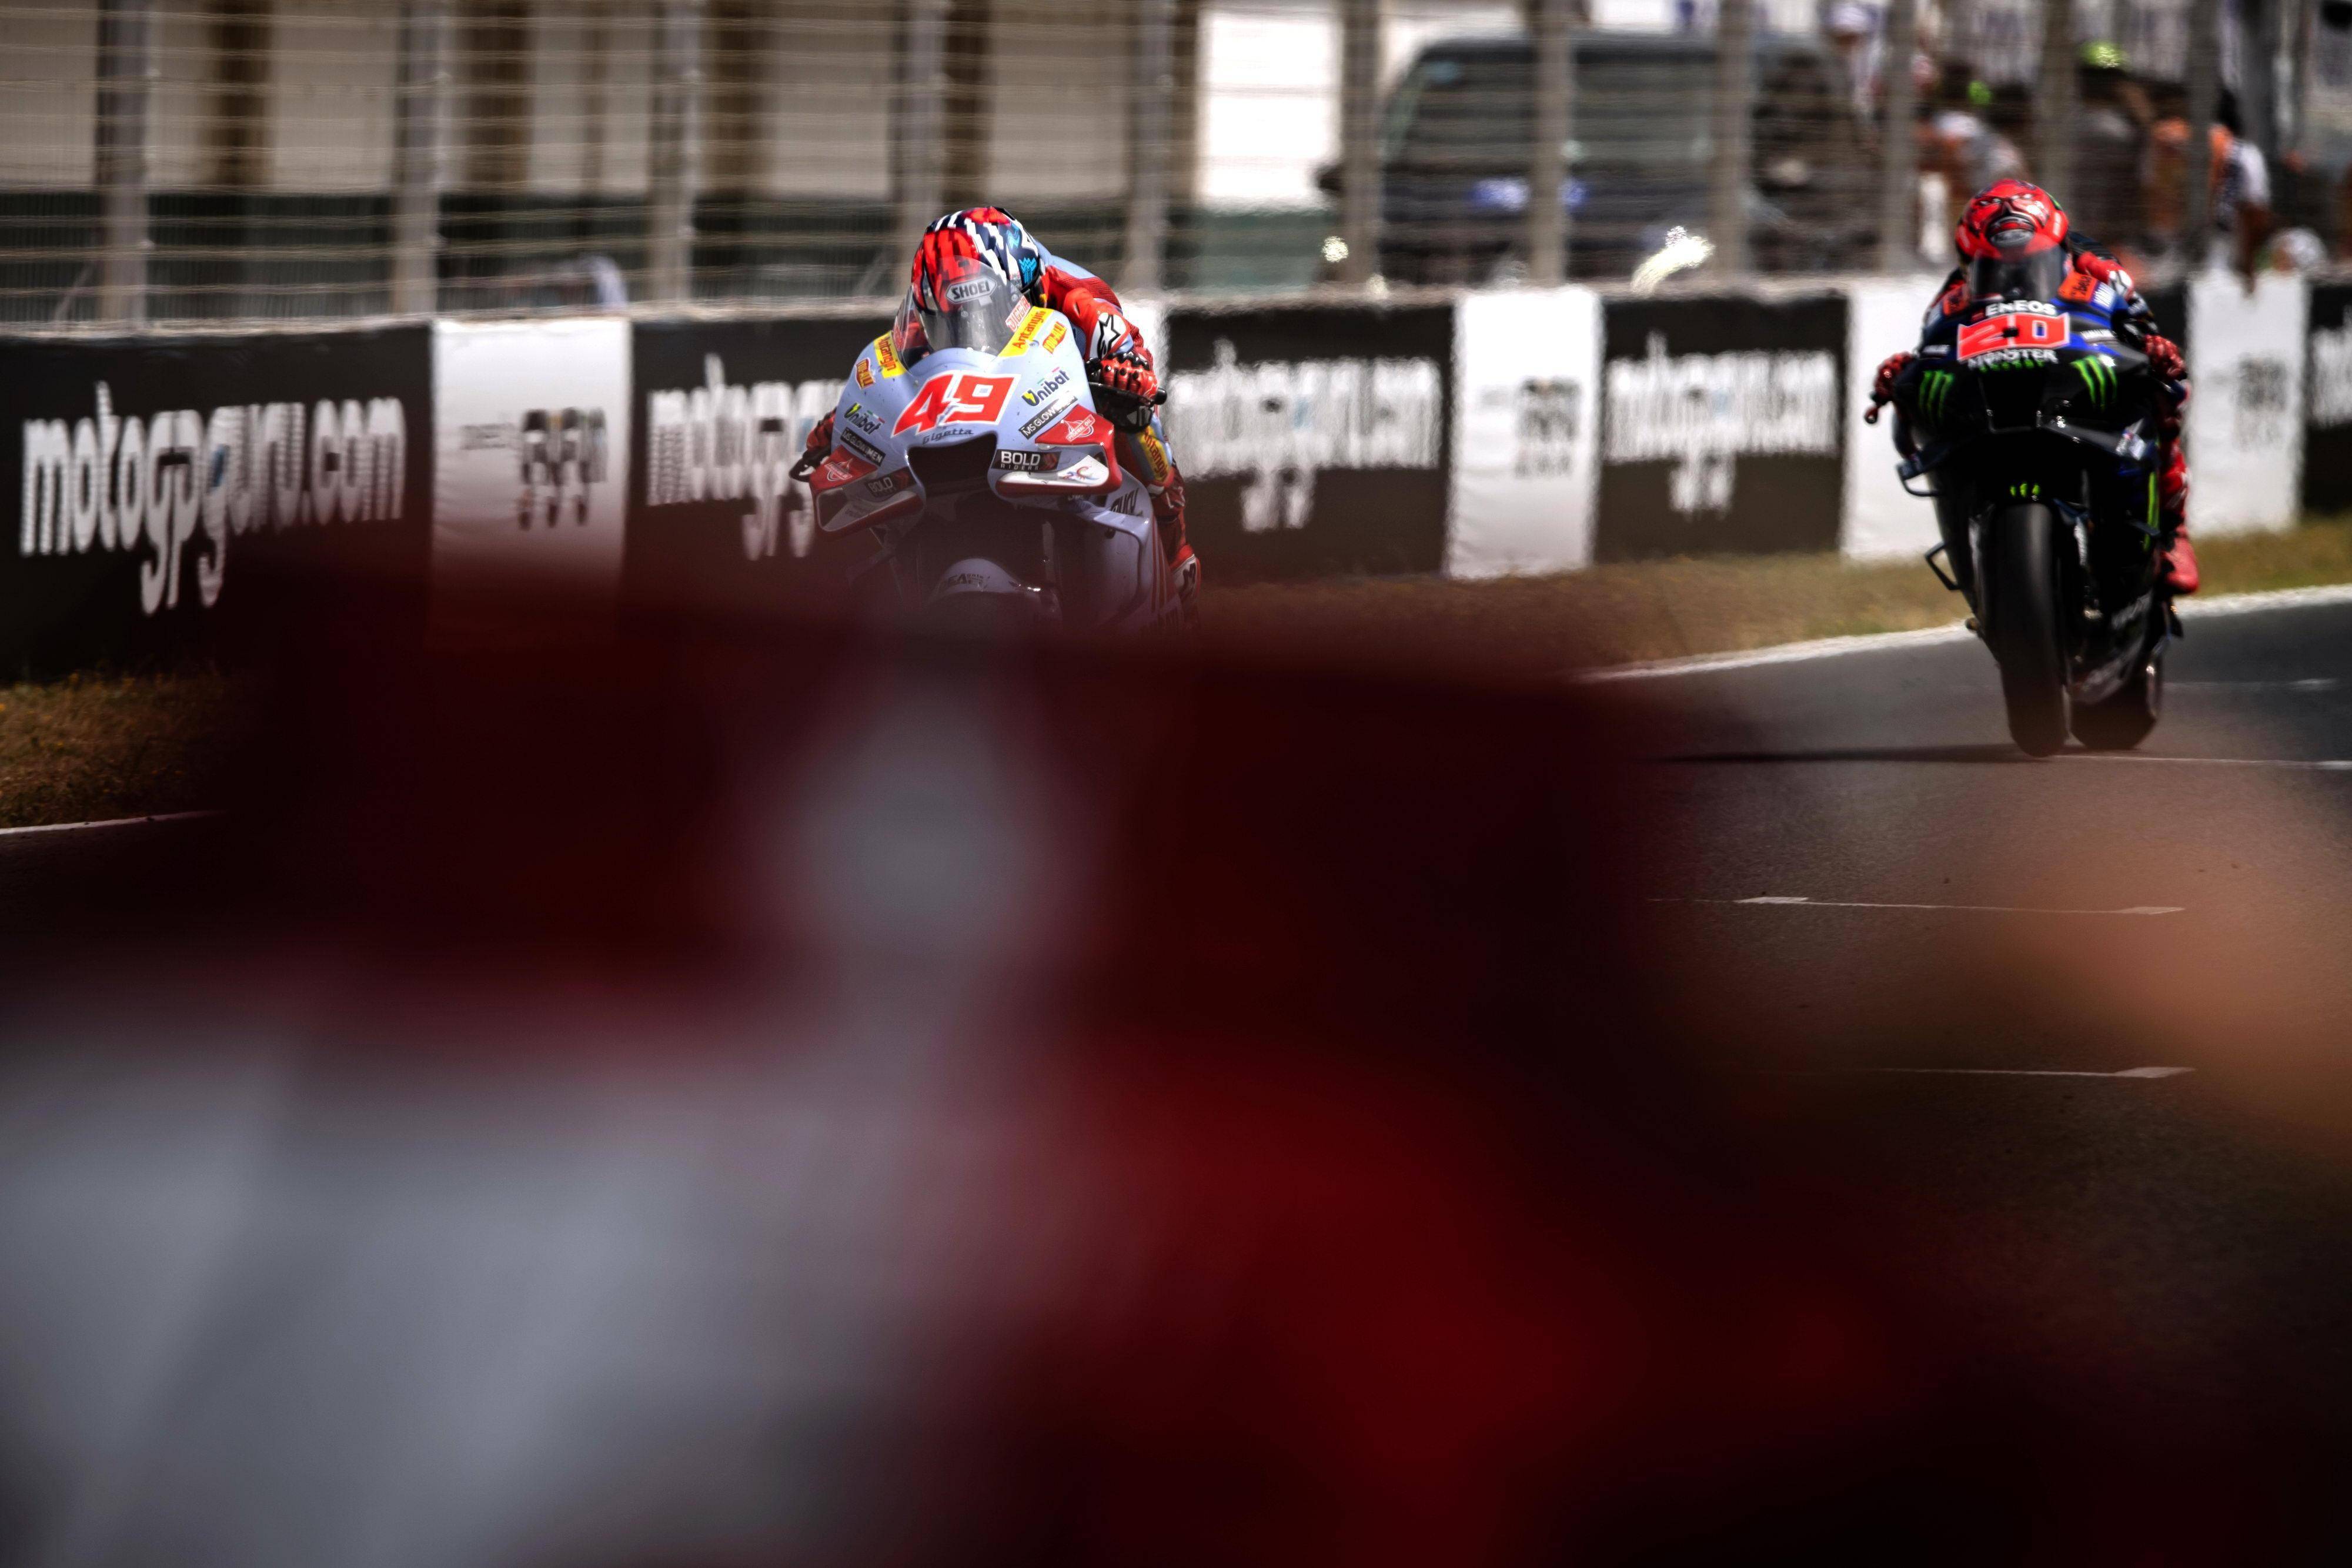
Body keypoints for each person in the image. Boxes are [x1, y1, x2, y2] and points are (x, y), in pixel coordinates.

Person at [797, 208, 1198, 603]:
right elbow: (899, 375)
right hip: (980, 409)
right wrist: (846, 421)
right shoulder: (927, 312)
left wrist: (1127, 372)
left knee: (1138, 419)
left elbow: (1134, 360)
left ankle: (1175, 549)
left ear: (1023, 287)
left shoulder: (1079, 299)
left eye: (982, 313)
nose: (966, 326)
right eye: (951, 320)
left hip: (1068, 384)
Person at [1866, 179, 2199, 596]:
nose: (2011, 274)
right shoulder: (1952, 295)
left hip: (2073, 384)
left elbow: (2146, 334)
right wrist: (1904, 371)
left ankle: (2173, 530)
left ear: (2059, 247)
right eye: (1993, 264)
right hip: (1999, 400)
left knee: (2164, 392)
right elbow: (1933, 352)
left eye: (2028, 261)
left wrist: (2155, 350)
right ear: (1969, 261)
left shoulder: (2102, 271)